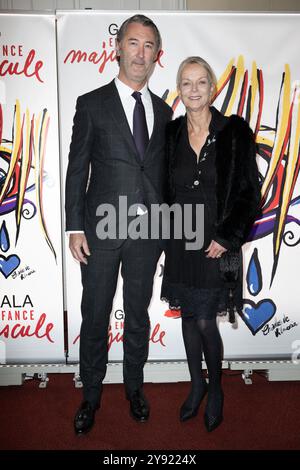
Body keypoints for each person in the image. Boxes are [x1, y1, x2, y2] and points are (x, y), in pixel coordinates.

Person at [65, 15, 173, 435]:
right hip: (100, 233)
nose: (140, 53)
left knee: (138, 317)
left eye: (148, 46)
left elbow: (164, 174)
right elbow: (77, 171)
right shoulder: (91, 104)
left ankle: (134, 388)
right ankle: (90, 395)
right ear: (118, 49)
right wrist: (75, 226)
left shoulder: (164, 111)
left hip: (148, 236)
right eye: (133, 43)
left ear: (156, 55)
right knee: (94, 315)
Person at [161, 56, 261, 432]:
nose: (194, 90)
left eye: (201, 82)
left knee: (204, 319)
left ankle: (215, 388)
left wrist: (227, 236)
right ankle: (197, 384)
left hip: (217, 239)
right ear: (179, 89)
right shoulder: (171, 133)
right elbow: (162, 188)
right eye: (186, 83)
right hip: (180, 238)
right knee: (188, 316)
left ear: (212, 87)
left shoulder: (234, 131)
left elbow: (250, 192)